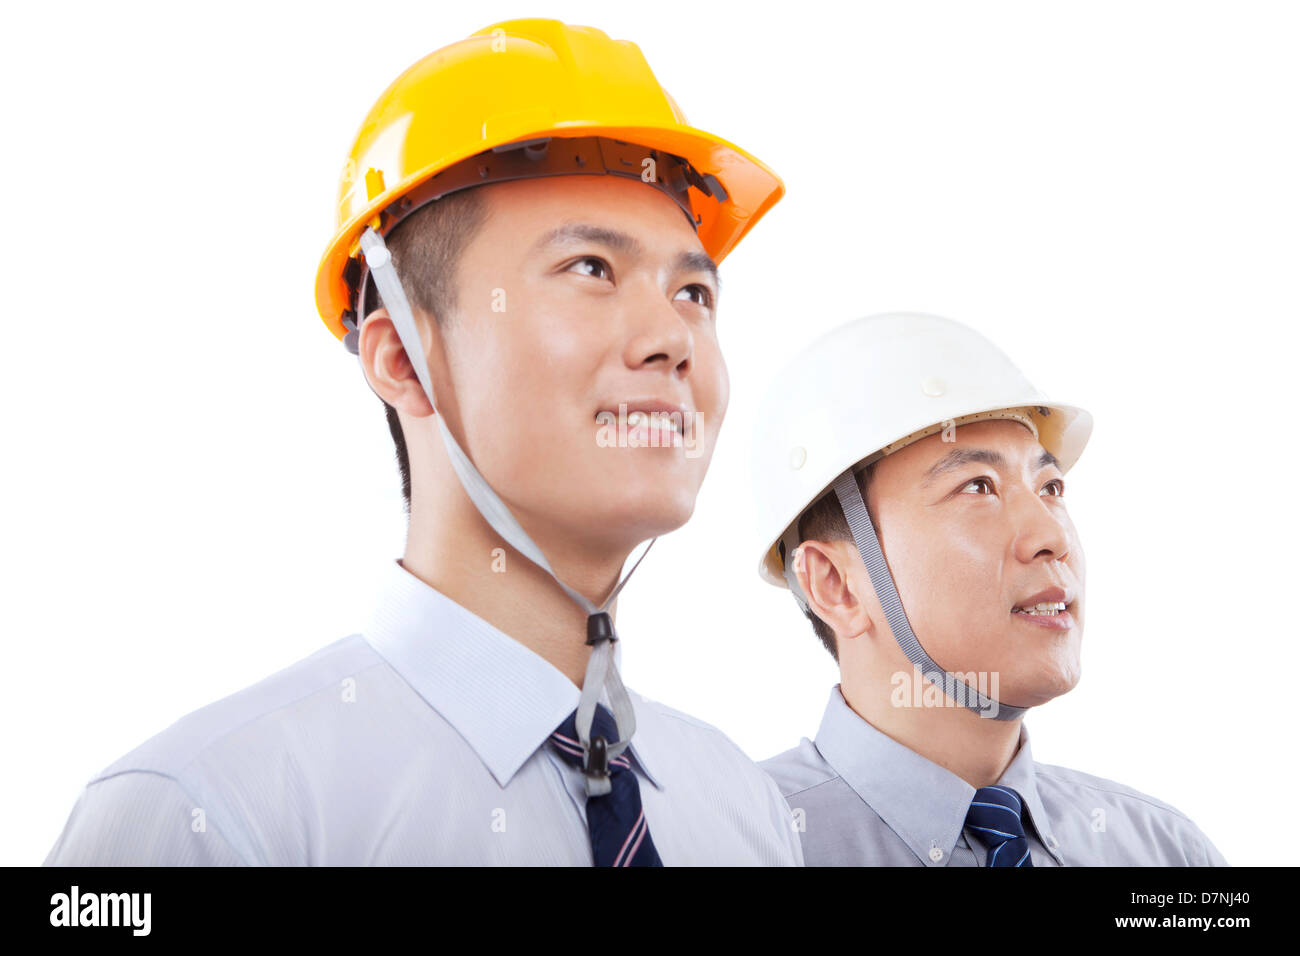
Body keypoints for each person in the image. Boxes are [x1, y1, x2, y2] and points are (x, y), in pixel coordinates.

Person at [44, 18, 800, 866]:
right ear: (402, 355)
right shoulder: (206, 815)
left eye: (694, 290)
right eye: (591, 268)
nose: (674, 337)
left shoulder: (747, 815)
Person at [754, 312, 1227, 866]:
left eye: (1050, 487)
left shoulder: (1165, 853)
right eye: (978, 487)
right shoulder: (735, 846)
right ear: (836, 584)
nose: (1053, 537)